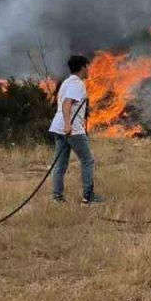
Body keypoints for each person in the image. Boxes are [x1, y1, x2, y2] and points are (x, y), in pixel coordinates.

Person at [49, 54, 103, 206]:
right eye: (88, 67)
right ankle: (89, 198)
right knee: (87, 160)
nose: (89, 70)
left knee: (60, 163)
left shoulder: (66, 82)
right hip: (71, 128)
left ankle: (57, 197)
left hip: (58, 127)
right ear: (83, 67)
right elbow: (67, 104)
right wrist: (68, 125)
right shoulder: (77, 84)